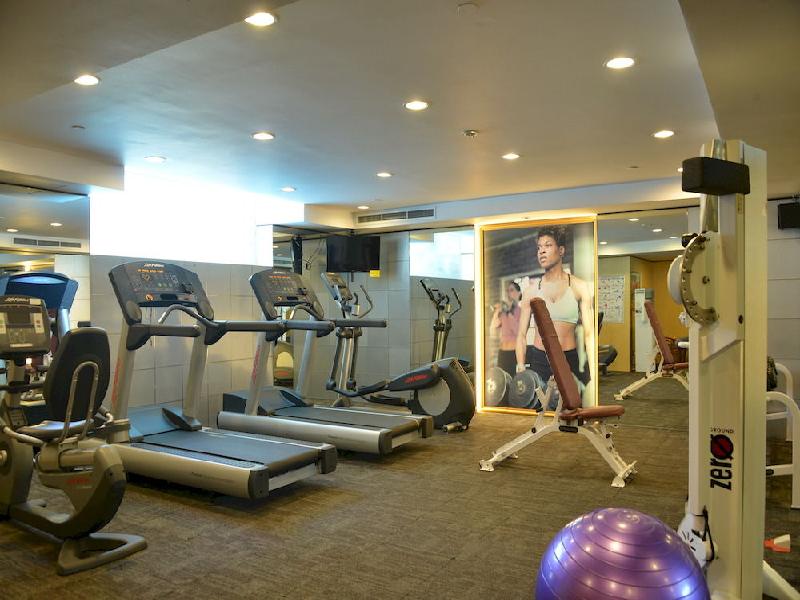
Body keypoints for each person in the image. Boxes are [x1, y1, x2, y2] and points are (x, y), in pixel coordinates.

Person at [515, 226, 595, 398]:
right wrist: (520, 366)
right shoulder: (531, 291)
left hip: (569, 359)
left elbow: (589, 334)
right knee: (541, 408)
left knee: (572, 408)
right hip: (540, 360)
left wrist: (593, 368)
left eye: (548, 245)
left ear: (561, 250)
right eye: (539, 247)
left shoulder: (579, 287)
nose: (541, 251)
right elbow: (521, 334)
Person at [490, 281, 522, 377]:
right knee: (502, 379)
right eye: (507, 291)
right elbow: (493, 329)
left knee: (514, 380)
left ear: (519, 293)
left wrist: (509, 313)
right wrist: (497, 312)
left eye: (512, 290)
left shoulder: (521, 311)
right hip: (502, 353)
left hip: (515, 353)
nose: (509, 293)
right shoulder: (503, 312)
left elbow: (517, 331)